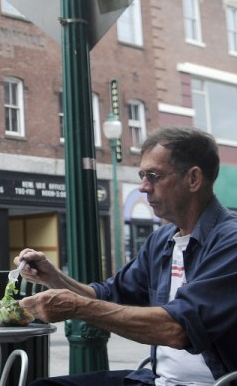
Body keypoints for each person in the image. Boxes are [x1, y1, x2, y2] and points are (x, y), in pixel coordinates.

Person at [17, 126, 237, 386]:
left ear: (193, 179)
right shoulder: (161, 240)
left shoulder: (229, 241)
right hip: (157, 379)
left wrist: (76, 307)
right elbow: (108, 295)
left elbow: (177, 329)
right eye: (142, 175)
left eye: (154, 176)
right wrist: (53, 277)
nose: (143, 187)